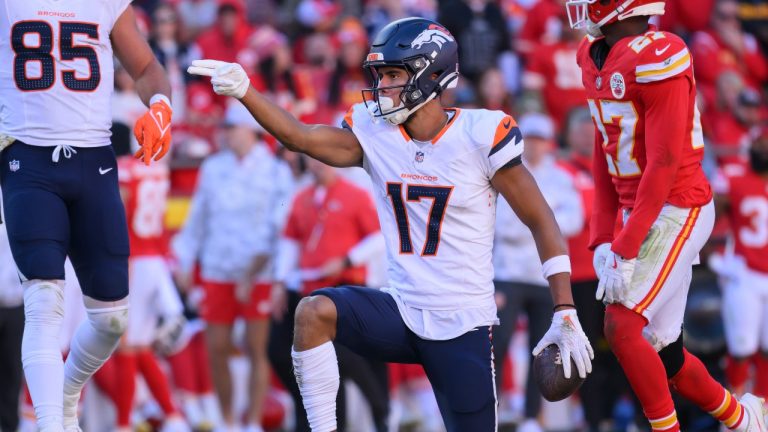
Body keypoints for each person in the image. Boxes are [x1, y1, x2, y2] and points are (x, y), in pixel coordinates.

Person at [189, 17, 594, 431]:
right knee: (312, 313)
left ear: (432, 75)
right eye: (380, 76)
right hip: (400, 309)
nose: (382, 86)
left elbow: (541, 219)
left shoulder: (479, 134)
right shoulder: (376, 132)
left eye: (394, 75)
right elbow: (301, 137)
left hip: (463, 322)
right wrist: (245, 91)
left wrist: (564, 309)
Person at [566, 0, 767, 430]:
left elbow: (664, 162)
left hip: (679, 205)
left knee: (621, 326)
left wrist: (625, 244)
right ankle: (746, 420)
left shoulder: (660, 56)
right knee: (667, 353)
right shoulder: (592, 54)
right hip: (641, 210)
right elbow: (605, 151)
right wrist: (602, 235)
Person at [0, 1, 172, 431]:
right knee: (43, 302)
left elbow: (146, 66)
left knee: (112, 320)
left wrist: (160, 106)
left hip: (94, 161)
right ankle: (49, 425)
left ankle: (67, 395)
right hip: (26, 157)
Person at [172, 102, 293, 432]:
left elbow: (280, 228)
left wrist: (257, 272)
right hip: (218, 268)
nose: (226, 134)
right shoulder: (213, 167)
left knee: (256, 348)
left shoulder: (275, 171)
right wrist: (185, 261)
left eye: (232, 128)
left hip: (259, 272)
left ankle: (252, 422)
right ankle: (227, 421)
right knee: (217, 348)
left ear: (251, 130)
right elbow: (197, 217)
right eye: (225, 129)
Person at [270, 157, 389, 432]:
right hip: (310, 288)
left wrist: (347, 260)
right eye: (311, 160)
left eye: (320, 159)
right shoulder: (302, 198)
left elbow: (377, 237)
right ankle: (331, 420)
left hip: (344, 285)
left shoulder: (354, 194)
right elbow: (291, 241)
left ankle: (377, 405)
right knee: (291, 353)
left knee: (338, 355)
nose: (316, 165)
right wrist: (279, 281)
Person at [492, 112, 584, 432]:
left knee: (542, 347)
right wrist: (544, 222)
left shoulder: (560, 177)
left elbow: (575, 220)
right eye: (529, 139)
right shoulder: (506, 171)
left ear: (549, 143)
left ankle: (532, 416)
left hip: (544, 274)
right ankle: (493, 408)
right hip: (507, 271)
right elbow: (501, 225)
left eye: (539, 139)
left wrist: (538, 223)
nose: (534, 145)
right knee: (498, 342)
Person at [712, 127, 768, 397]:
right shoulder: (733, 176)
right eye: (760, 144)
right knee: (741, 348)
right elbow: (712, 215)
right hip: (744, 272)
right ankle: (735, 408)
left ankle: (764, 408)